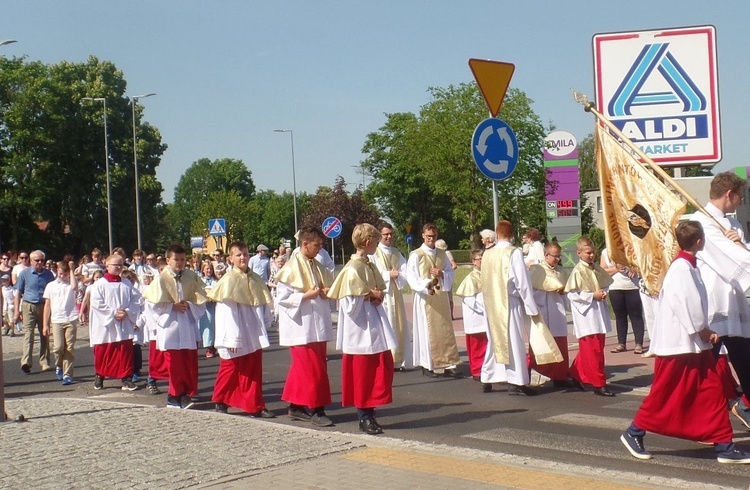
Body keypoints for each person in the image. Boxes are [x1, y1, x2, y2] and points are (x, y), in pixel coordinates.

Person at [620, 221, 750, 464]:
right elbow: (686, 304)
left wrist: (703, 329)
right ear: (699, 242)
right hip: (677, 345)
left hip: (689, 344)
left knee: (711, 390)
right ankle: (634, 431)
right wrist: (701, 329)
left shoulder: (688, 266)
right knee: (665, 392)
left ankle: (723, 443)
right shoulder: (682, 269)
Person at [691, 172, 750, 428]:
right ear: (729, 194)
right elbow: (729, 259)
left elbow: (742, 254)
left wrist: (743, 245)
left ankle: (745, 405)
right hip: (713, 305)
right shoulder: (700, 222)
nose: (740, 202)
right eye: (740, 197)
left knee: (746, 360)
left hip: (735, 303)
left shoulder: (733, 225)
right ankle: (702, 420)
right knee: (706, 370)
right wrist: (740, 250)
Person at [328, 223, 397, 435]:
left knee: (376, 370)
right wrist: (371, 295)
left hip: (373, 325)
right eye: (376, 241)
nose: (378, 245)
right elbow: (348, 305)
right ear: (367, 242)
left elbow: (377, 290)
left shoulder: (368, 264)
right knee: (362, 374)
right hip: (359, 330)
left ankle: (370, 411)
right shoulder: (352, 269)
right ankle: (363, 416)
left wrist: (378, 296)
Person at [481, 221, 557, 395]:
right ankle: (516, 381)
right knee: (513, 340)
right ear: (512, 234)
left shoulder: (487, 253)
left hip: (492, 303)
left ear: (497, 234)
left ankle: (487, 376)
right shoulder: (513, 253)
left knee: (495, 341)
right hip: (509, 302)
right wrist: (531, 306)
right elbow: (522, 282)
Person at [274, 226, 335, 427]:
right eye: (316, 245)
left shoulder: (315, 264)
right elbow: (282, 298)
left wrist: (325, 292)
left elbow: (324, 287)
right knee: (312, 370)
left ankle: (296, 406)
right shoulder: (290, 268)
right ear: (305, 244)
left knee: (306, 369)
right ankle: (317, 409)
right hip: (301, 327)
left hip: (317, 323)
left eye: (321, 245)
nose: (319, 249)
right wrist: (305, 295)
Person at [210, 241, 276, 418]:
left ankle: (255, 405)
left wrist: (266, 322)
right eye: (238, 255)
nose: (243, 258)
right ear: (231, 258)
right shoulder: (228, 280)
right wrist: (232, 338)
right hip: (235, 332)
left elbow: (261, 303)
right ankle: (220, 399)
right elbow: (227, 312)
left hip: (252, 330)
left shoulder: (255, 278)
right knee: (230, 368)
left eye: (245, 254)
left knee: (253, 368)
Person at [143, 244, 208, 409]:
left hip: (187, 323)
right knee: (174, 364)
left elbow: (201, 299)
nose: (179, 263)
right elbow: (152, 304)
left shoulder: (190, 277)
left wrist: (190, 305)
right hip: (170, 326)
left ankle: (184, 394)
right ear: (168, 260)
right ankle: (174, 396)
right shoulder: (161, 279)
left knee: (187, 362)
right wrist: (172, 306)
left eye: (182, 259)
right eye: (176, 260)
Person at [405, 223, 461, 377]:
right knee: (426, 331)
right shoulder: (416, 255)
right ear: (423, 235)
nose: (431, 239)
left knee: (445, 329)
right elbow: (412, 277)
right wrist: (426, 285)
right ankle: (427, 364)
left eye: (434, 236)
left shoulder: (442, 254)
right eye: (428, 236)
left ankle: (448, 363)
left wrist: (442, 273)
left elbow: (451, 273)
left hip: (441, 297)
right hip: (425, 299)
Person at [564, 236, 615, 396]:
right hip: (586, 316)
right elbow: (572, 294)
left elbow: (605, 283)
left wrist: (603, 292)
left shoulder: (596, 268)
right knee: (593, 351)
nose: (591, 255)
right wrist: (592, 296)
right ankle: (599, 384)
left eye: (593, 252)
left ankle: (575, 373)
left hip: (598, 313)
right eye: (588, 253)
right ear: (579, 253)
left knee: (594, 349)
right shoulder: (578, 271)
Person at [88, 254, 139, 391]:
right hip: (106, 324)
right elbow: (96, 304)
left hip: (123, 322)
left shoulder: (126, 283)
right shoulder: (99, 284)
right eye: (115, 265)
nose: (118, 267)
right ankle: (100, 376)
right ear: (107, 266)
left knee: (125, 351)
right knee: (104, 351)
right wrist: (113, 313)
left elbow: (136, 300)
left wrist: (127, 311)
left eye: (121, 265)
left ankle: (127, 378)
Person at [528, 242, 572, 387]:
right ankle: (536, 371)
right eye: (555, 256)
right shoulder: (537, 270)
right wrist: (545, 289)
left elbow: (568, 291)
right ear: (546, 255)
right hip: (543, 312)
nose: (557, 259)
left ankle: (560, 376)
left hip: (558, 311)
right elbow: (531, 292)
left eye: (559, 256)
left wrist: (562, 291)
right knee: (542, 344)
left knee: (559, 344)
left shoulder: (561, 271)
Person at [371, 222, 411, 371]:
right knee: (387, 325)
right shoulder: (374, 253)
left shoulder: (396, 252)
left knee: (399, 326)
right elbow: (373, 273)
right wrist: (389, 275)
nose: (389, 237)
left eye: (391, 234)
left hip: (396, 293)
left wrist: (399, 275)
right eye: (385, 234)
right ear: (379, 235)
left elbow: (405, 270)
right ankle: (386, 360)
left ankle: (399, 360)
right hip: (383, 295)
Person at [14, 250, 56, 373]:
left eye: (41, 260)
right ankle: (26, 361)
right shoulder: (24, 274)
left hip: (44, 305)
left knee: (45, 333)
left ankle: (44, 362)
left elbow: (53, 292)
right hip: (28, 305)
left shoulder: (48, 274)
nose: (39, 262)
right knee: (29, 334)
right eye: (36, 260)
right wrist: (17, 310)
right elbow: (18, 292)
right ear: (31, 261)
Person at [455, 249, 490, 390]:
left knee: (487, 345)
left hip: (488, 316)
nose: (482, 261)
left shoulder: (488, 276)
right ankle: (477, 370)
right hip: (477, 317)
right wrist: (485, 308)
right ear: (473, 262)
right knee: (477, 346)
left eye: (483, 258)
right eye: (479, 259)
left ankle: (487, 369)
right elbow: (470, 299)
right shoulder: (470, 279)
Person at [600, 248, 645, 354]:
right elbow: (602, 270)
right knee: (620, 316)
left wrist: (634, 269)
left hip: (632, 287)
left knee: (636, 316)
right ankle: (621, 343)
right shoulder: (606, 251)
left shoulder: (632, 248)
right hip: (615, 287)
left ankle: (639, 343)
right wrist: (616, 268)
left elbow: (643, 266)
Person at [42, 260, 79, 385]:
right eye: (60, 273)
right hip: (57, 319)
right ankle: (59, 365)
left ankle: (67, 374)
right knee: (58, 347)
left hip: (71, 318)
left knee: (69, 347)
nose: (62, 276)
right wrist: (45, 324)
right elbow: (47, 306)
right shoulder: (51, 285)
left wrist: (72, 269)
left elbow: (74, 287)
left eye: (64, 274)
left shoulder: (71, 284)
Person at [435, 239, 458, 320]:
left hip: (446, 277)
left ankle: (451, 314)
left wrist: (446, 272)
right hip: (439, 279)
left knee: (449, 297)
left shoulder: (447, 253)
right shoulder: (436, 254)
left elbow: (454, 265)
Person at [200, 260, 218, 358]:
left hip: (212, 305)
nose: (209, 271)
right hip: (203, 306)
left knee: (211, 324)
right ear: (203, 270)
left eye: (210, 269)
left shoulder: (215, 281)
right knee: (203, 325)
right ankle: (205, 344)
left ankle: (210, 346)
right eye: (207, 269)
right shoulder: (200, 280)